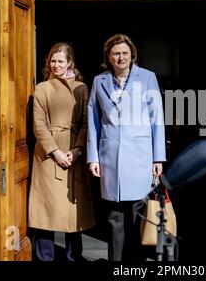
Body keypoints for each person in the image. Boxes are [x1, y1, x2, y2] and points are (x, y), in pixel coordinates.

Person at [87, 34, 166, 261]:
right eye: (115, 54)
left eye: (124, 53)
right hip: (109, 157)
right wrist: (93, 157)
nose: (120, 57)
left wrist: (158, 158)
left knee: (138, 216)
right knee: (114, 218)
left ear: (132, 55)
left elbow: (156, 118)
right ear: (108, 58)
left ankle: (136, 265)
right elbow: (93, 120)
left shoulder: (148, 77)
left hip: (141, 156)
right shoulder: (99, 81)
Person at [28, 42, 95, 261]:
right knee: (45, 210)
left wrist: (77, 150)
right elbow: (38, 125)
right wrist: (55, 151)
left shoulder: (81, 88)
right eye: (52, 61)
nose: (56, 65)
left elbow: (88, 122)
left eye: (60, 61)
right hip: (48, 156)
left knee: (73, 211)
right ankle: (44, 258)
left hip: (74, 152)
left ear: (70, 63)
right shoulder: (42, 88)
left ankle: (73, 257)